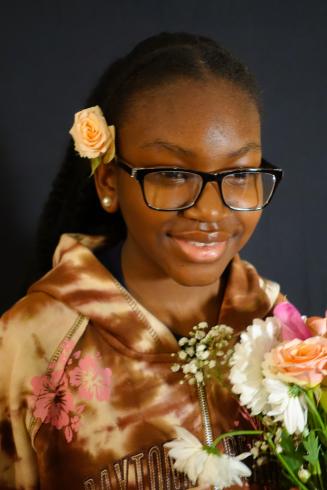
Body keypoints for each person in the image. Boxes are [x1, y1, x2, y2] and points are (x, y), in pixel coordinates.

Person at [0, 32, 285, 489]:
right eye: (172, 174)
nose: (210, 210)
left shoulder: (283, 332)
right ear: (109, 181)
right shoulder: (29, 344)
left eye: (237, 174)